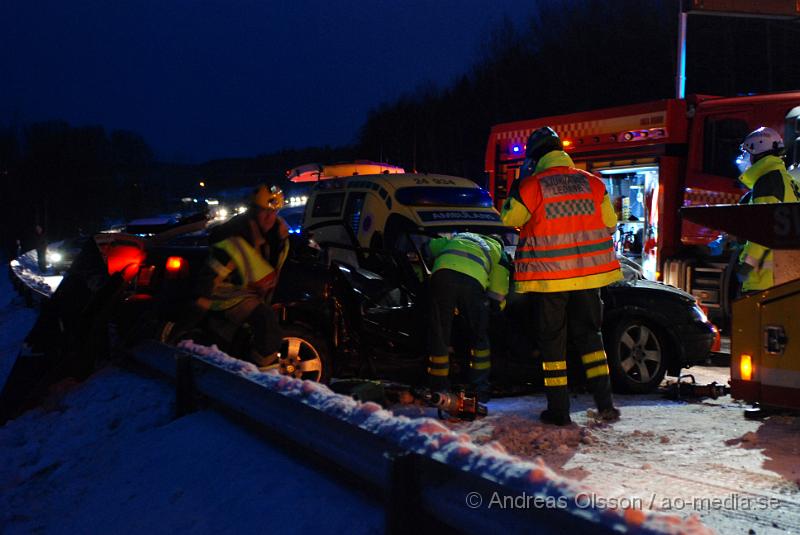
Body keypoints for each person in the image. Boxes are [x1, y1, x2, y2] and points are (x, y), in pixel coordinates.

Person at [501, 126, 622, 426]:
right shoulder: (592, 183)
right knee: (591, 339)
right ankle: (605, 405)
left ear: (535, 157)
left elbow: (508, 218)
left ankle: (559, 410)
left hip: (551, 279)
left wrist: (520, 182)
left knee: (553, 345)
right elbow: (610, 223)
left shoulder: (533, 186)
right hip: (589, 278)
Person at [167, 184, 290, 369]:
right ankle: (263, 378)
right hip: (227, 297)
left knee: (251, 333)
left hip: (251, 295)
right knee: (265, 322)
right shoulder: (235, 238)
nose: (269, 217)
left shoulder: (279, 237)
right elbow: (209, 280)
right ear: (253, 210)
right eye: (264, 211)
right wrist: (190, 319)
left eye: (274, 212)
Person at [426, 232, 510, 402]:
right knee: (479, 337)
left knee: (440, 334)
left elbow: (430, 246)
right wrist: (495, 309)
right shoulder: (499, 252)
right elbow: (498, 291)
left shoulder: (460, 236)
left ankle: (438, 387)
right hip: (472, 282)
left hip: (442, 276)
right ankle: (480, 387)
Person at [735, 127, 800, 292]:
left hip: (764, 279)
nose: (744, 159)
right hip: (786, 273)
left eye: (747, 153)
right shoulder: (787, 180)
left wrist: (747, 266)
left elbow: (763, 229)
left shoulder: (767, 182)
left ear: (757, 151)